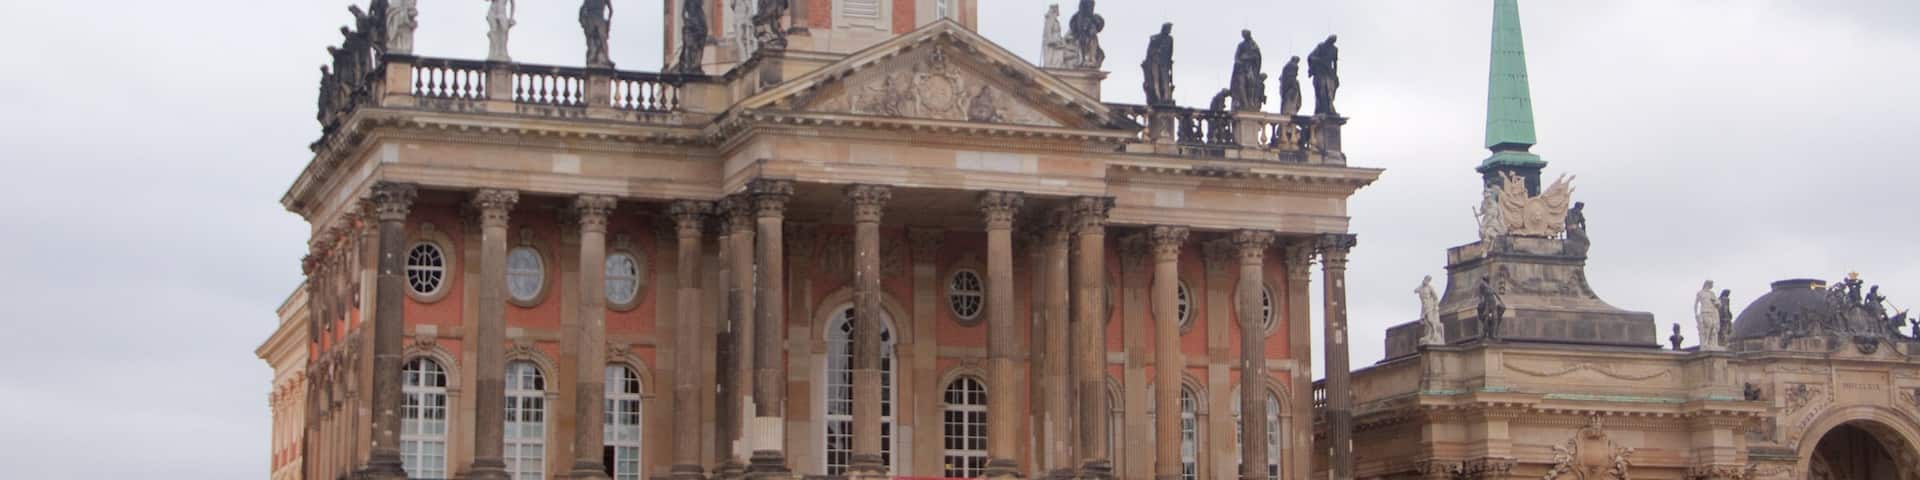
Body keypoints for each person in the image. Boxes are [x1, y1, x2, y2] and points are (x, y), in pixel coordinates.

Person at [1307, 35, 1340, 115]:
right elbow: (1310, 57)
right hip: (1320, 72)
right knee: (1322, 90)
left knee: (1330, 90)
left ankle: (1330, 108)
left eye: (1334, 41)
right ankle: (1323, 108)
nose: (1332, 42)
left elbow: (1335, 63)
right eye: (1331, 40)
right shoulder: (1321, 46)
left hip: (1329, 72)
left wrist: (1335, 74)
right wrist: (1319, 61)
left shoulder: (1335, 49)